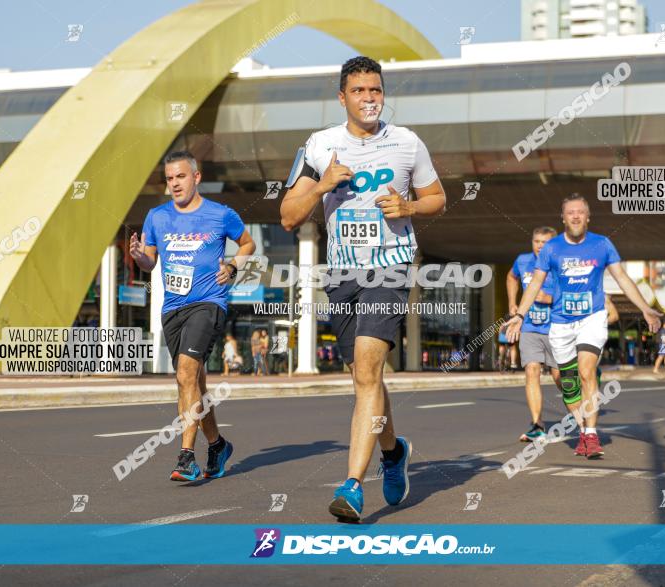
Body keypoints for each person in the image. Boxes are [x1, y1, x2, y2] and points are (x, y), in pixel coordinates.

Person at [280, 56, 446, 521]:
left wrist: (409, 206)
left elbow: (438, 198)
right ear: (342, 97)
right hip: (342, 274)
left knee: (369, 372)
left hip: (389, 268)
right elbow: (289, 216)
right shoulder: (321, 146)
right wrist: (324, 185)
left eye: (375, 90)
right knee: (364, 378)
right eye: (359, 91)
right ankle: (393, 451)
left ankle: (352, 485)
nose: (369, 98)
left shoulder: (407, 143)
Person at [130, 150, 256, 481]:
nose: (174, 183)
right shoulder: (156, 217)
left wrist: (231, 266)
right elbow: (150, 262)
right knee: (194, 382)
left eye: (181, 176)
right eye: (170, 178)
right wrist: (138, 257)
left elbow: (247, 244)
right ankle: (217, 444)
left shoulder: (220, 214)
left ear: (196, 177)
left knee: (186, 374)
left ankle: (186, 456)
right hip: (173, 308)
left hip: (209, 302)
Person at [507, 194, 661, 459]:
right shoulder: (552, 249)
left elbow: (622, 278)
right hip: (561, 323)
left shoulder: (602, 245)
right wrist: (520, 315)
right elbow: (534, 284)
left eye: (580, 212)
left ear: (588, 217)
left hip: (592, 317)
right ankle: (582, 430)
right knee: (569, 385)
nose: (576, 216)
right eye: (570, 212)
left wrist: (645, 308)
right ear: (563, 218)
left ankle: (591, 434)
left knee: (586, 370)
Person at [507, 226, 562, 442]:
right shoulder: (523, 261)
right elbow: (511, 277)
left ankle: (583, 419)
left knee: (560, 378)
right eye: (536, 241)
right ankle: (537, 424)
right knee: (531, 370)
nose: (540, 246)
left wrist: (550, 298)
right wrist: (513, 303)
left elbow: (574, 289)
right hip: (530, 327)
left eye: (545, 242)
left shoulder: (561, 264)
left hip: (557, 328)